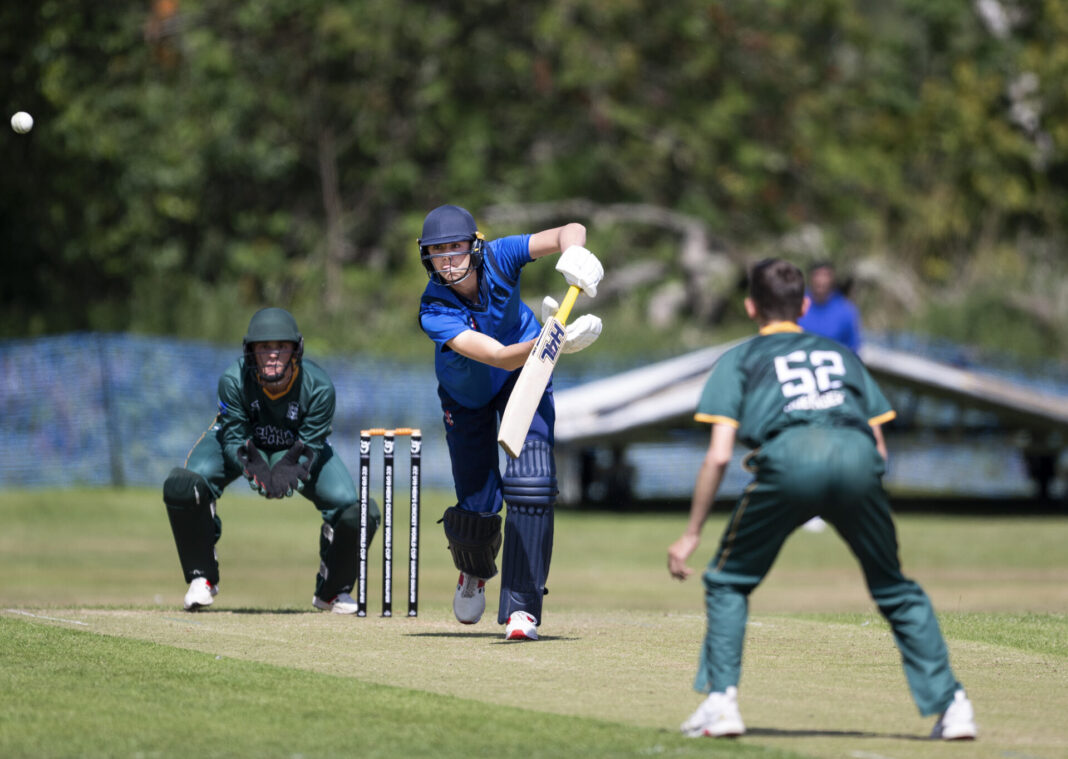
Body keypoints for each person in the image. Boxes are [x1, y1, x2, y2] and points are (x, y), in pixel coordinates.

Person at [667, 259, 976, 740]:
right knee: (893, 586)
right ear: (805, 306)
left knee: (727, 581)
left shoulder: (739, 360)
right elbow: (879, 446)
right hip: (858, 460)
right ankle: (954, 707)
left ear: (750, 307)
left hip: (789, 459)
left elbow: (719, 455)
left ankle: (721, 704)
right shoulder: (841, 356)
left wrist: (690, 535)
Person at [417, 204, 603, 641]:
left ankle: (523, 610)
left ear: (475, 246)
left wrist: (573, 252)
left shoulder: (501, 255)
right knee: (479, 509)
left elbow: (569, 229)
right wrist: (550, 342)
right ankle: (474, 573)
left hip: (526, 375)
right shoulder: (433, 308)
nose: (448, 259)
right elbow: (497, 355)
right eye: (438, 251)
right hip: (467, 398)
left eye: (456, 248)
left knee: (533, 481)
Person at [163, 307, 379, 614]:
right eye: (264, 347)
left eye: (281, 347)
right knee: (185, 485)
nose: (273, 355)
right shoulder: (232, 380)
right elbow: (234, 436)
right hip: (242, 443)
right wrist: (251, 463)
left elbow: (312, 442)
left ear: (296, 350)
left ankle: (331, 592)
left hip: (296, 446)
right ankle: (202, 580)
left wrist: (291, 467)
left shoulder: (319, 387)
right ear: (251, 351)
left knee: (354, 510)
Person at [797, 260, 861, 352]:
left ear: (832, 279)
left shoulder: (846, 310)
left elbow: (853, 348)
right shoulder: (795, 304)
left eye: (825, 275)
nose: (821, 280)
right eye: (817, 275)